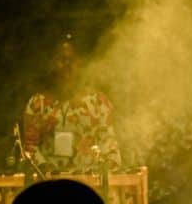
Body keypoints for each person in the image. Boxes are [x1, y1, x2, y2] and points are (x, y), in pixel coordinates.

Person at [21, 35, 121, 173]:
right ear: (53, 63)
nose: (66, 65)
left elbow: (110, 148)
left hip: (90, 187)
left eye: (71, 60)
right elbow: (29, 149)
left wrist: (104, 170)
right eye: (61, 60)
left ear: (80, 63)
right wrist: (45, 169)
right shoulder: (37, 104)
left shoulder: (98, 103)